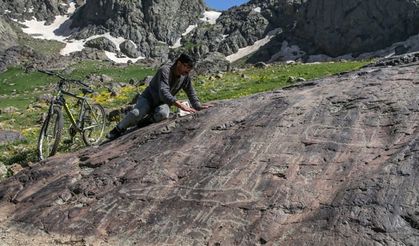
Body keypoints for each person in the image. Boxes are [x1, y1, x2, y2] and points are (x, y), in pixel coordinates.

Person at [106, 53, 212, 140]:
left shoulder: (185, 77)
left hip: (163, 103)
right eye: (187, 67)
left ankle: (144, 122)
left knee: (163, 114)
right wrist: (180, 105)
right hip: (149, 98)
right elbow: (163, 91)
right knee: (136, 113)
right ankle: (117, 129)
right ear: (179, 62)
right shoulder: (165, 70)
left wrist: (197, 106)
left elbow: (190, 92)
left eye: (190, 68)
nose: (188, 70)